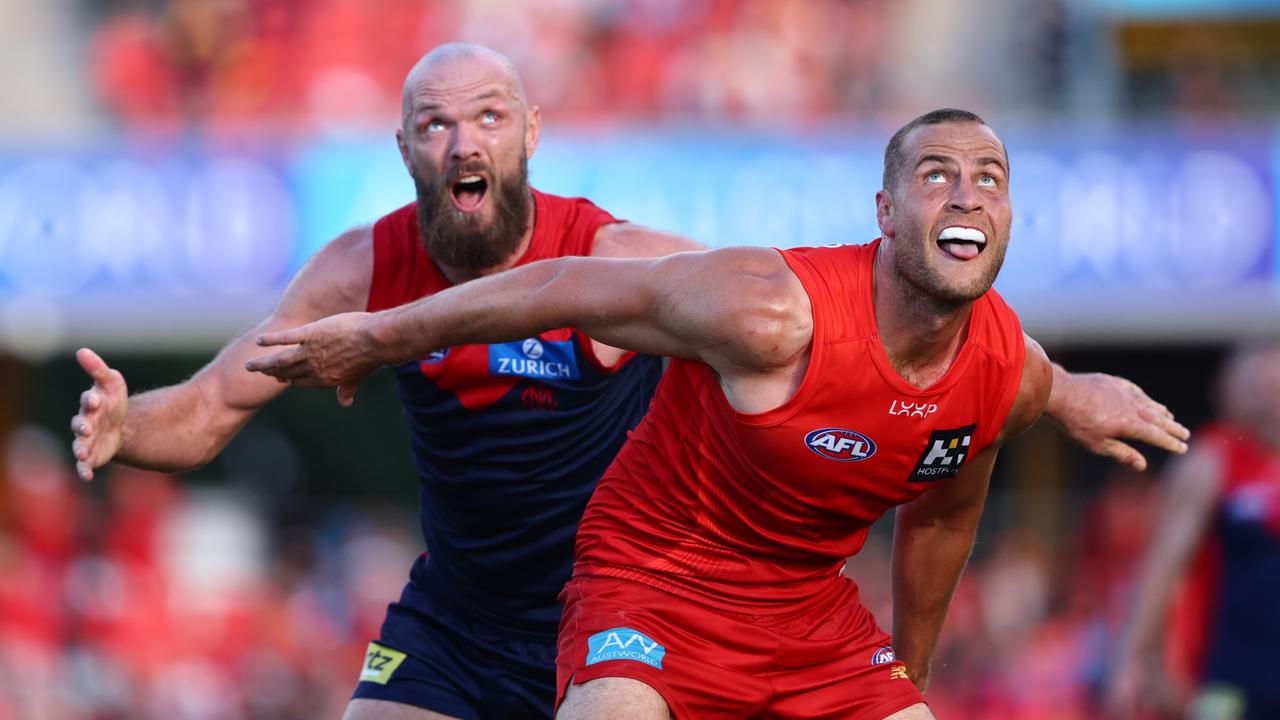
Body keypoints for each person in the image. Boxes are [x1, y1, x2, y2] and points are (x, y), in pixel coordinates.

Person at [71, 42, 1186, 720]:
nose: (465, 140)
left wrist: (1062, 385)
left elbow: (861, 324)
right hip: (463, 619)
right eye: (436, 122)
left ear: (529, 138)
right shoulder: (360, 267)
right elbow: (210, 408)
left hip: (635, 605)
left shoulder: (616, 259)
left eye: (488, 117)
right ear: (407, 148)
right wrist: (127, 427)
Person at [1105, 344, 1280, 720]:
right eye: (1260, 388)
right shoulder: (1214, 461)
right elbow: (1162, 567)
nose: (1268, 400)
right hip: (1229, 674)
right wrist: (1133, 657)